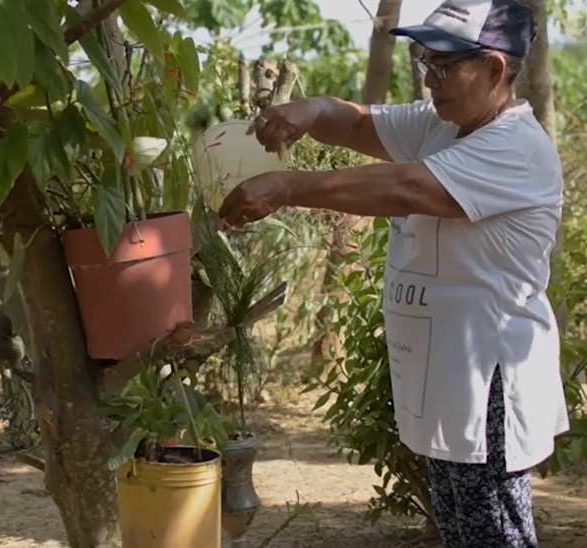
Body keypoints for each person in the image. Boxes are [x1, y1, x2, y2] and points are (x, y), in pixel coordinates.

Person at [218, 0, 569, 546]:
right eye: (424, 60)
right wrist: (308, 110)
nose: (430, 78)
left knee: (493, 535)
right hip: (447, 383)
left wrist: (287, 188)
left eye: (445, 66)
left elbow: (408, 188)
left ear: (496, 69)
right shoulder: (441, 125)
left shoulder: (515, 147)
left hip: (488, 388)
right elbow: (357, 123)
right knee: (460, 533)